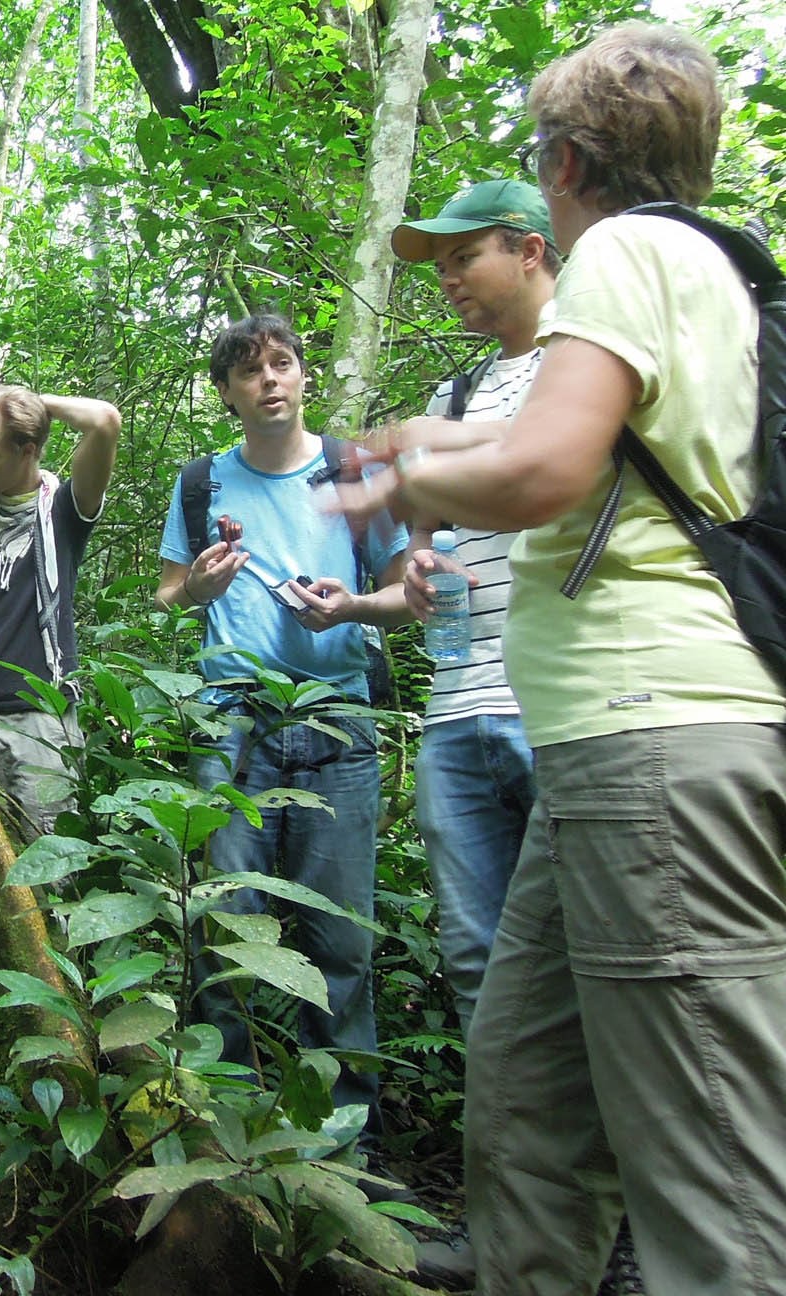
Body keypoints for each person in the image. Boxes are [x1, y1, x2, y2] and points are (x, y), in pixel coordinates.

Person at [326, 24, 786, 1294]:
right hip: (601, 753)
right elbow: (566, 440)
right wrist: (429, 443)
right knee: (528, 1107)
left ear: (570, 162)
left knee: (718, 1176)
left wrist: (402, 485)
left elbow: (546, 466)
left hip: (657, 736)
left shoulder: (629, 250)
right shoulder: (707, 269)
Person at [156, 314, 409, 1118]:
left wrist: (352, 608)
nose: (270, 379)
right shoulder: (202, 483)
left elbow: (410, 593)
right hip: (233, 721)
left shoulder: (348, 472)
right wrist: (201, 586)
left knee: (341, 942)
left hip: (337, 721)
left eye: (283, 363)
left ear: (303, 376)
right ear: (227, 393)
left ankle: (344, 1140)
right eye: (250, 371)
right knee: (227, 932)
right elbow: (169, 594)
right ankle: (230, 1131)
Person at [387, 179, 560, 1034]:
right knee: (477, 955)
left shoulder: (585, 368)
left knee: (592, 954)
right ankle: (520, 1162)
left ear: (530, 250)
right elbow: (428, 548)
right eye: (442, 265)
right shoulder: (455, 398)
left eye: (465, 257)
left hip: (561, 707)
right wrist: (423, 578)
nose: (448, 278)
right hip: (459, 711)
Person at [0, 386, 121, 837]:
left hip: (42, 724)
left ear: (27, 450)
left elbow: (105, 420)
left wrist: (32, 403)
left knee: (50, 871)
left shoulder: (66, 511)